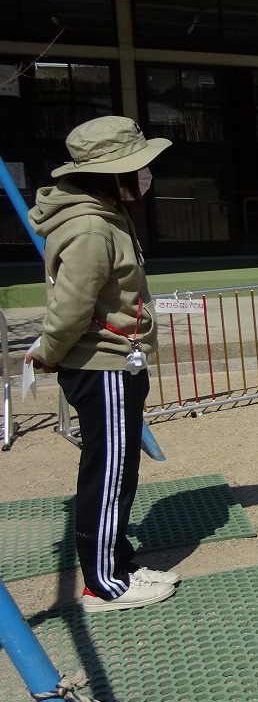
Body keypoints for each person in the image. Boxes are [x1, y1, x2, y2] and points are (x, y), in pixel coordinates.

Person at [24, 116, 178, 613]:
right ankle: (104, 583)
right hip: (102, 364)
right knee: (109, 472)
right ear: (111, 174)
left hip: (116, 361)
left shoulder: (106, 214)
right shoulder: (91, 225)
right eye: (138, 167)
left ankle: (117, 563)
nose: (145, 176)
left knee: (119, 467)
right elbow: (72, 305)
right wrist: (48, 352)